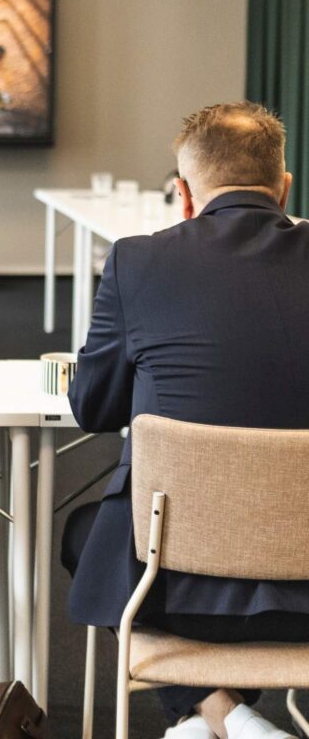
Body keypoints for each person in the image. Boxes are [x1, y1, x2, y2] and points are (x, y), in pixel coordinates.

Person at [62, 101, 309, 739]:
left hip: (171, 582)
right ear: (284, 187)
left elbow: (93, 408)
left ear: (184, 194)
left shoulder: (138, 262)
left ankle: (215, 712)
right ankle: (235, 717)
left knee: (87, 536)